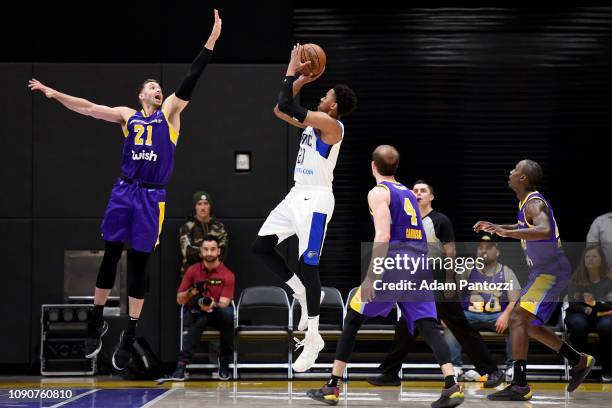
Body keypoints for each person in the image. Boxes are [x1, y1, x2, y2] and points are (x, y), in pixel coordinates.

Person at [28, 10, 222, 371]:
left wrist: (210, 42)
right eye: (150, 86)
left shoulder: (170, 115)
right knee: (110, 255)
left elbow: (191, 78)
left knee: (138, 264)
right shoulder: (126, 116)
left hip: (151, 196)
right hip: (125, 191)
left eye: (158, 87)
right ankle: (95, 319)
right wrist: (54, 93)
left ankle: (130, 333)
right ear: (139, 95)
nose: (157, 89)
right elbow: (87, 108)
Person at [307, 146, 464, 408]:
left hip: (395, 263)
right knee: (428, 326)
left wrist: (371, 277)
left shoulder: (378, 192)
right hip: (418, 263)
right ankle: (452, 385)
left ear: (373, 166)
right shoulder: (408, 193)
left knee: (354, 316)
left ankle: (332, 387)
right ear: (396, 167)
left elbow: (383, 236)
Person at [251, 44, 357, 372]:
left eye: (325, 95)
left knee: (308, 265)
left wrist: (292, 71)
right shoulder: (315, 122)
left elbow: (285, 104)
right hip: (297, 195)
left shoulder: (331, 126)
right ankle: (299, 292)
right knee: (262, 247)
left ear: (333, 105)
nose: (321, 97)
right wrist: (299, 80)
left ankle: (314, 336)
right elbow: (280, 110)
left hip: (317, 200)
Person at [474, 159, 595, 400]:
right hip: (541, 271)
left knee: (518, 318)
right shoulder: (525, 204)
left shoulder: (535, 203)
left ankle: (519, 385)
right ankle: (578, 360)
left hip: (551, 271)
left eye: (515, 169)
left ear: (523, 178)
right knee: (528, 325)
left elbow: (544, 230)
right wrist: (499, 227)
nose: (510, 172)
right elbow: (526, 227)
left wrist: (507, 233)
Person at [368, 181, 504, 388]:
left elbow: (450, 252)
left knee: (458, 324)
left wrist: (449, 282)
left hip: (438, 278)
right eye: (415, 191)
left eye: (423, 191)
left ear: (431, 196)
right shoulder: (406, 219)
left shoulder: (440, 220)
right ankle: (390, 372)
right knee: (406, 326)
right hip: (413, 276)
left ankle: (492, 371)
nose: (418, 193)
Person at [444, 235, 520, 379]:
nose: (483, 251)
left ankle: (513, 367)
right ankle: (455, 366)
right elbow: (453, 294)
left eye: (489, 247)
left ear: (497, 252)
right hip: (469, 313)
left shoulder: (506, 271)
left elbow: (514, 300)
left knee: (516, 324)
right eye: (480, 247)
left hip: (496, 315)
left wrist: (506, 315)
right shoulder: (467, 269)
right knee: (452, 324)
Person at [169, 235, 235, 381]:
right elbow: (180, 299)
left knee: (229, 314)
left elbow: (224, 302)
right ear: (200, 252)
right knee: (197, 320)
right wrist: (192, 292)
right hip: (196, 312)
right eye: (205, 249)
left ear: (218, 251)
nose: (209, 253)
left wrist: (213, 304)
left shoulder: (227, 274)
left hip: (217, 313)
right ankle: (181, 365)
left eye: (212, 249)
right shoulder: (192, 271)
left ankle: (224, 363)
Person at [565, 245, 612, 382]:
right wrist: (585, 308)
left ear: (601, 260)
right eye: (587, 257)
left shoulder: (609, 279)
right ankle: (580, 369)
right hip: (579, 313)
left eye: (594, 256)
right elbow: (573, 304)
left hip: (603, 315)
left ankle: (608, 370)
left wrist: (596, 305)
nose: (590, 259)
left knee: (608, 325)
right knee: (578, 324)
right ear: (583, 260)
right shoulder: (576, 278)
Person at [180, 191, 228, 276]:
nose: (203, 207)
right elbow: (188, 252)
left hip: (215, 274)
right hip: (192, 275)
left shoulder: (219, 227)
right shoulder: (187, 227)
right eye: (199, 204)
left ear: (210, 206)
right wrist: (211, 252)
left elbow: (222, 252)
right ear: (195, 207)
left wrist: (200, 251)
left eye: (206, 203)